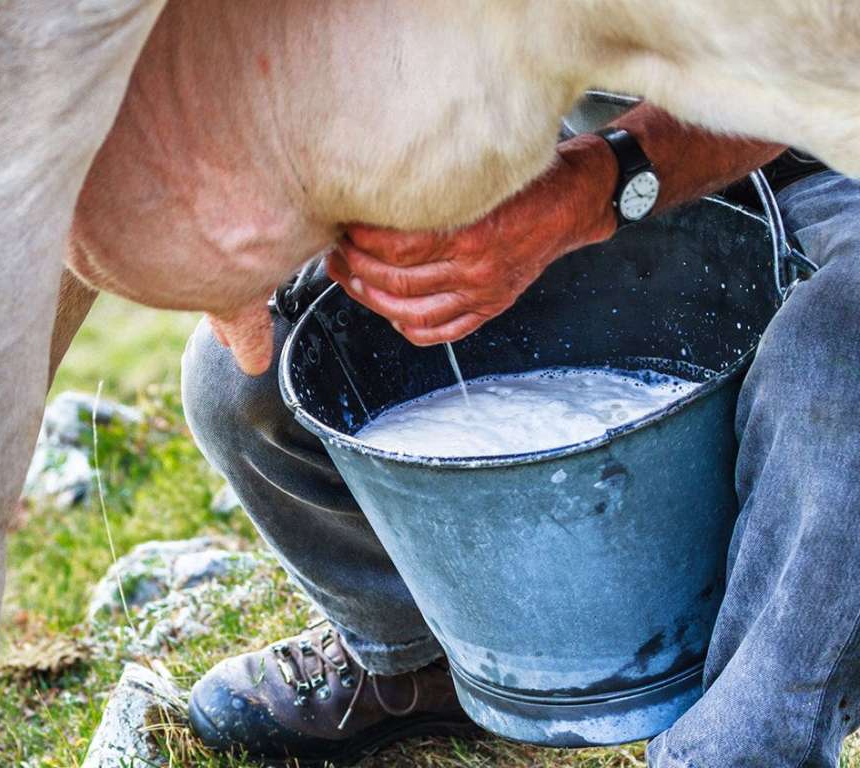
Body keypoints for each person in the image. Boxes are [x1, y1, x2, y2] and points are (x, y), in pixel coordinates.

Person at [180, 100, 860, 767]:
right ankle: (423, 656)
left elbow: (823, 71)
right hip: (587, 134)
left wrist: (590, 190)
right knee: (245, 377)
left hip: (833, 156)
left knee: (832, 366)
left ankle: (742, 746)